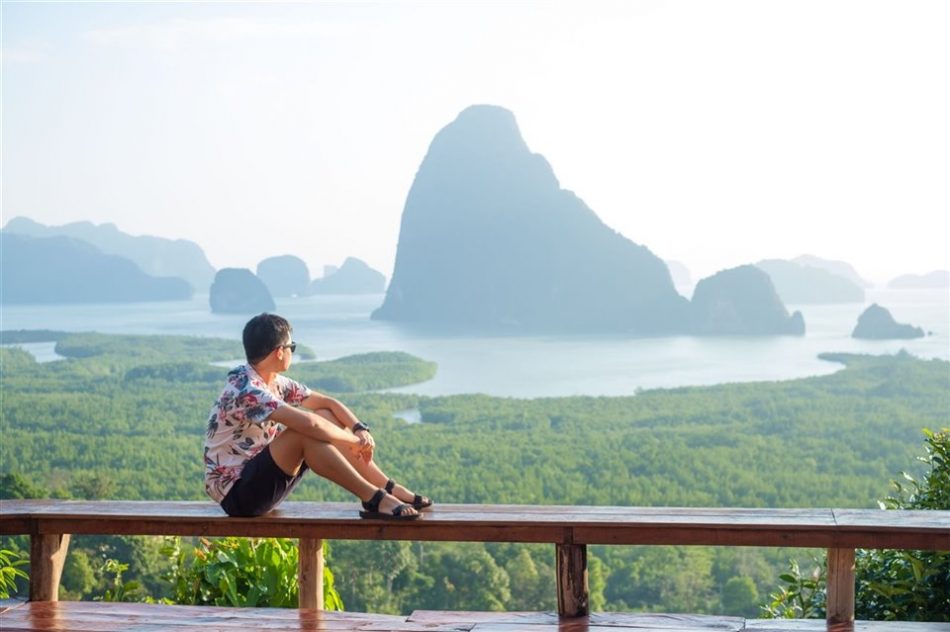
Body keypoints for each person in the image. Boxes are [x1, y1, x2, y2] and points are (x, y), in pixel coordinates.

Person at [204, 313, 431, 520]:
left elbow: (327, 404)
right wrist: (355, 441)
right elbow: (311, 424)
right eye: (292, 346)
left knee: (325, 416)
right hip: (239, 496)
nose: (293, 351)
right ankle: (374, 498)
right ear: (279, 352)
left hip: (261, 481)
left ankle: (387, 487)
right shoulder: (247, 389)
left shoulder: (273, 381)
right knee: (304, 433)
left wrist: (359, 428)